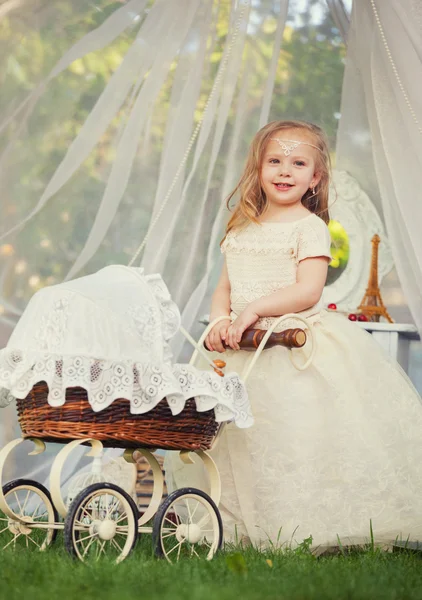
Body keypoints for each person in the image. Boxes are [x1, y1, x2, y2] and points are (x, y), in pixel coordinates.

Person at [165, 119, 422, 552]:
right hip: (240, 349)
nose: (285, 171)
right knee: (235, 439)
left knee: (292, 436)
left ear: (315, 177)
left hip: (289, 344)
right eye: (275, 161)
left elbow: (308, 289)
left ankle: (297, 524)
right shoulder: (241, 227)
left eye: (298, 163)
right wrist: (218, 321)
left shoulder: (310, 228)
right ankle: (236, 521)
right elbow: (223, 288)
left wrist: (255, 311)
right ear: (259, 168)